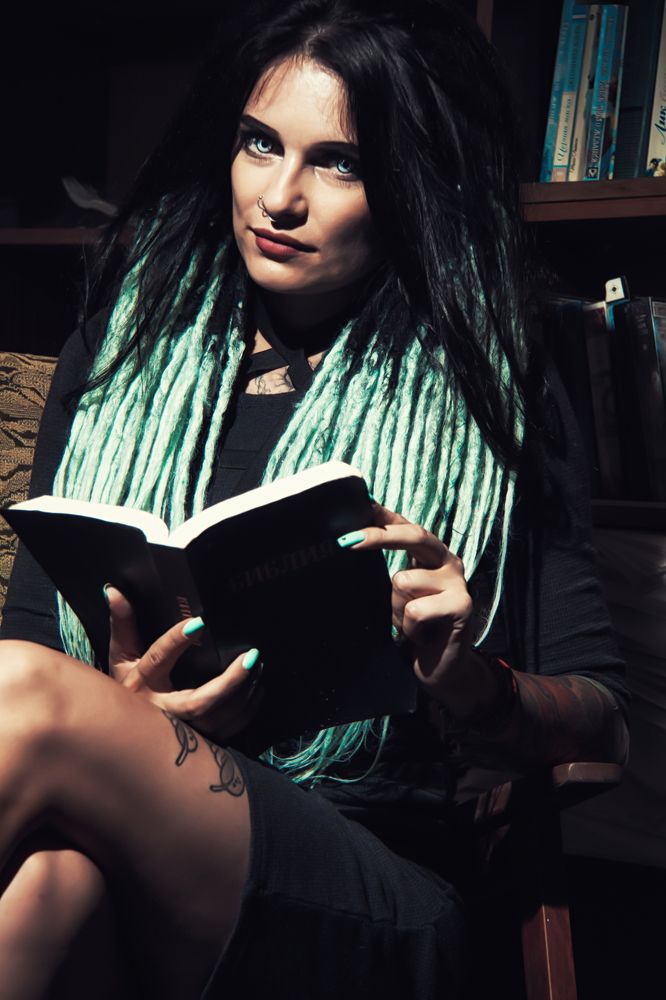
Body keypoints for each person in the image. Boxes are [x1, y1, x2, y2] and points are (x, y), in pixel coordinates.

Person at [0, 1, 629, 997]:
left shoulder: (491, 385)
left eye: (339, 163)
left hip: (374, 870)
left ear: (412, 183)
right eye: (260, 143)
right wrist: (125, 718)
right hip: (139, 836)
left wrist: (471, 679)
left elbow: (601, 723)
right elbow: (33, 632)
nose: (278, 197)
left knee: (26, 698)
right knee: (50, 886)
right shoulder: (122, 348)